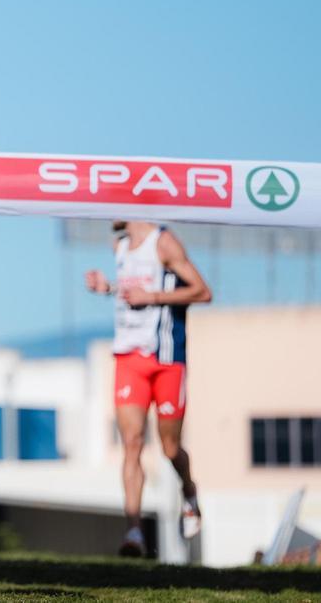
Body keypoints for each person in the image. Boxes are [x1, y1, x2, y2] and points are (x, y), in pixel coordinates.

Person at [85, 220, 212, 557]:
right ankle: (134, 532)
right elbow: (132, 294)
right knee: (132, 443)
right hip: (128, 356)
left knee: (170, 449)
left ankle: (189, 491)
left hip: (167, 358)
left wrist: (152, 297)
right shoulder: (120, 247)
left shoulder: (164, 243)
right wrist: (108, 289)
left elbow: (203, 291)